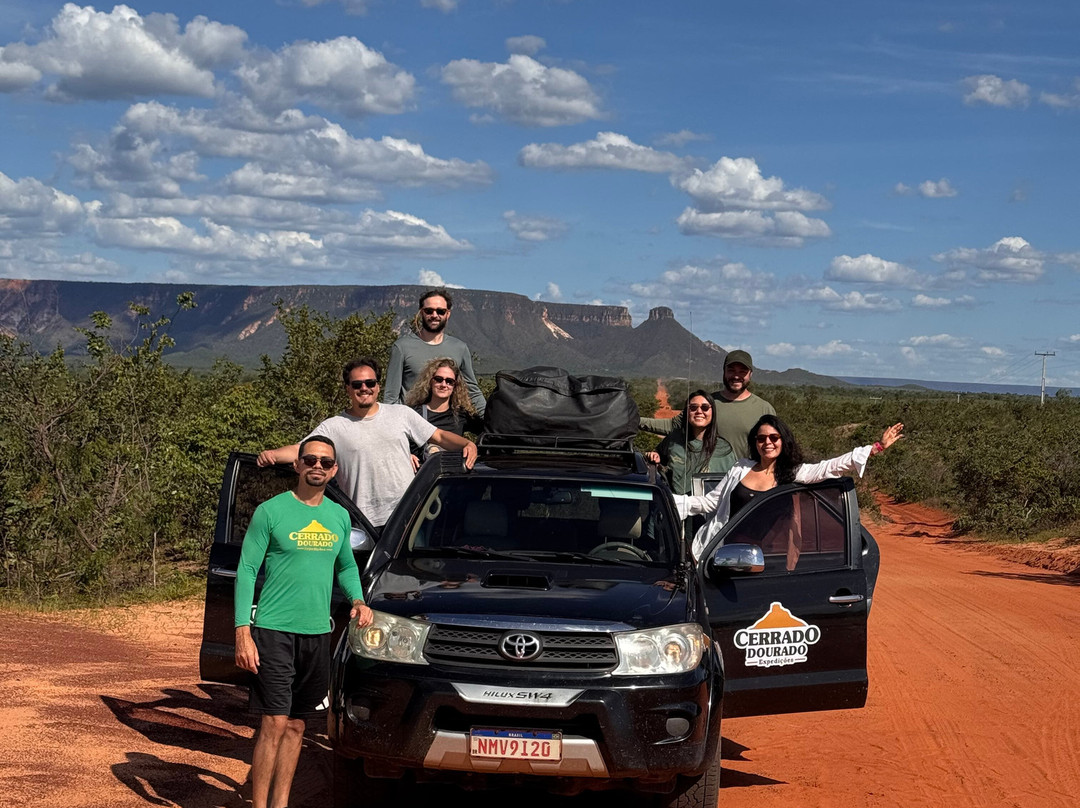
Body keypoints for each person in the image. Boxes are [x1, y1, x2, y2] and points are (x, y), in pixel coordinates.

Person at [234, 435, 374, 808]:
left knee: (297, 725)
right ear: (297, 465)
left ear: (334, 471)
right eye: (310, 459)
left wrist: (358, 599)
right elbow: (247, 570)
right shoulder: (271, 511)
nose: (317, 466)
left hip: (317, 634)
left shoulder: (339, 516)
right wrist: (242, 632)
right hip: (273, 630)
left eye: (325, 462)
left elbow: (345, 565)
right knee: (274, 723)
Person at [257, 357, 477, 529]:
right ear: (348, 389)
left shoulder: (401, 414)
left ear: (378, 386)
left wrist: (467, 445)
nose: (364, 388)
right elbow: (300, 450)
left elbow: (438, 436)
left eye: (370, 383)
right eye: (357, 384)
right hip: (361, 522)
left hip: (408, 516)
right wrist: (273, 455)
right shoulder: (334, 426)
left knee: (405, 583)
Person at [674, 415, 904, 561]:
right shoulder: (740, 468)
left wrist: (876, 448)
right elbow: (711, 502)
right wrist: (668, 500)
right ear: (755, 442)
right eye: (761, 438)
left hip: (768, 560)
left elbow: (829, 468)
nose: (767, 443)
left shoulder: (793, 473)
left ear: (783, 441)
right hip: (721, 554)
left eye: (774, 437)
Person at [640, 350, 775, 458]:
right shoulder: (706, 404)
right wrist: (633, 421)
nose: (736, 376)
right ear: (724, 372)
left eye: (742, 371)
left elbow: (775, 446)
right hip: (710, 480)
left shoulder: (764, 409)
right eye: (731, 370)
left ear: (750, 374)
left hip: (748, 481)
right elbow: (672, 425)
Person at [383, 288, 487, 414]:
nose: (434, 315)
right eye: (429, 311)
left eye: (440, 311)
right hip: (412, 425)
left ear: (447, 314)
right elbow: (391, 397)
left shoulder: (460, 348)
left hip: (447, 425)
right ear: (421, 312)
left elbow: (472, 391)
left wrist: (490, 419)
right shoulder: (401, 347)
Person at [644, 389, 735, 495]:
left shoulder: (724, 448)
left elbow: (732, 485)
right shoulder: (674, 439)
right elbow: (659, 458)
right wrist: (654, 456)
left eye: (705, 408)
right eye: (693, 407)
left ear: (713, 412)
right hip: (675, 506)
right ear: (687, 412)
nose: (699, 411)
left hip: (711, 509)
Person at [404, 357, 484, 462]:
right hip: (421, 475)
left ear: (455, 386)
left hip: (452, 474)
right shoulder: (413, 413)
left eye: (449, 381)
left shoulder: (461, 414)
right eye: (438, 379)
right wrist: (407, 456)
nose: (443, 385)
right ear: (430, 381)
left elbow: (487, 433)